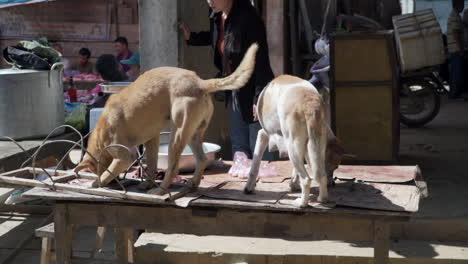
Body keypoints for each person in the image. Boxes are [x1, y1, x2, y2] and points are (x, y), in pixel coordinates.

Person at [179, 0, 275, 160]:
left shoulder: (249, 18)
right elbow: (219, 39)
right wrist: (192, 37)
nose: (210, 1)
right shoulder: (217, 16)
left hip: (254, 88)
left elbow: (261, 58)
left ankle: (266, 183)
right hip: (234, 87)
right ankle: (245, 182)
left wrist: (259, 96)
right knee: (239, 147)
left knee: (259, 146)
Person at [447, 0, 465, 99]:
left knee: (455, 71)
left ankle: (454, 93)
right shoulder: (454, 16)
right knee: (457, 72)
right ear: (458, 5)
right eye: (462, 4)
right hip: (456, 49)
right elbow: (455, 34)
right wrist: (461, 49)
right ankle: (455, 93)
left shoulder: (456, 15)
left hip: (454, 48)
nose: (463, 6)